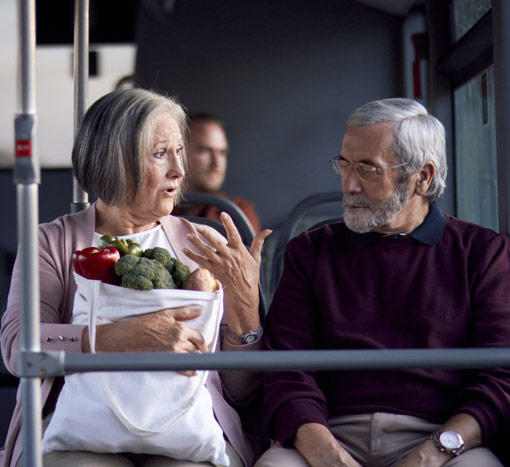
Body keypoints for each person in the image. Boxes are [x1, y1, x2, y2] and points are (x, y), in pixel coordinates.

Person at [0, 88, 271, 467]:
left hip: (188, 428)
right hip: (77, 428)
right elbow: (18, 349)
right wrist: (118, 339)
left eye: (179, 151)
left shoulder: (203, 243)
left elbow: (242, 391)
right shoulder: (51, 242)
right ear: (115, 162)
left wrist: (244, 303)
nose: (179, 170)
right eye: (161, 154)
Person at [256, 98, 510, 467]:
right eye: (343, 164)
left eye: (367, 169)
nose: (348, 184)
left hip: (442, 437)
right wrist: (329, 456)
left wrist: (434, 452)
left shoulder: (482, 254)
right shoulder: (310, 252)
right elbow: (286, 370)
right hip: (327, 432)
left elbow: (500, 375)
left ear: (422, 177)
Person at [173, 113, 261, 233]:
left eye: (222, 152)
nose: (216, 163)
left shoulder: (238, 213)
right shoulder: (153, 210)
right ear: (178, 151)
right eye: (204, 150)